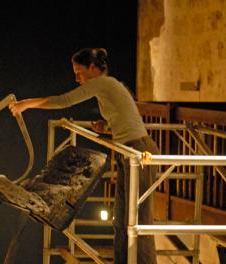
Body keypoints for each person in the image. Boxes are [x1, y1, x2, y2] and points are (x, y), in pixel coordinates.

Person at [9, 48, 158, 264]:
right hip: (127, 151)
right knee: (121, 219)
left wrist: (27, 104)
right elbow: (125, 118)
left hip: (139, 151)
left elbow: (65, 100)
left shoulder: (103, 83)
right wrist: (105, 126)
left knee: (139, 219)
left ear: (92, 68)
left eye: (79, 72)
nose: (77, 78)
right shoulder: (105, 88)